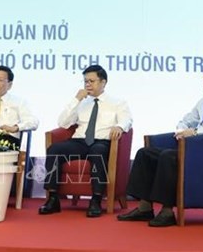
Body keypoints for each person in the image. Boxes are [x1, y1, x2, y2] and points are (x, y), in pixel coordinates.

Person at [117, 56, 203, 227]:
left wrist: (197, 132)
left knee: (168, 156)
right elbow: (188, 119)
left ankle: (167, 212)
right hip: (192, 149)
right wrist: (181, 130)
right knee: (145, 153)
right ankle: (144, 207)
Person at [39, 64, 133, 218]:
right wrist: (76, 100)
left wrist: (119, 126)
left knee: (98, 152)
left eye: (92, 81)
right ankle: (53, 198)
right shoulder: (82, 102)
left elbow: (127, 119)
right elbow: (63, 123)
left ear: (103, 82)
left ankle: (95, 200)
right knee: (54, 150)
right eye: (85, 81)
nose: (88, 85)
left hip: (101, 142)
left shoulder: (117, 102)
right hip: (80, 142)